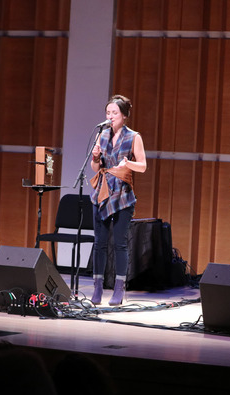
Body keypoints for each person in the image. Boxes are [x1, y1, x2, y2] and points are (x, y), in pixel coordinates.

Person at [89, 94, 147, 306]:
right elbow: (95, 168)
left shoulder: (133, 137)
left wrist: (127, 164)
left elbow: (142, 166)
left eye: (114, 113)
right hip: (102, 193)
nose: (110, 116)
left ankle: (119, 289)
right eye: (108, 113)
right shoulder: (102, 135)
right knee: (99, 244)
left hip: (122, 194)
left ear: (124, 115)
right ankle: (97, 289)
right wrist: (95, 157)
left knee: (120, 244)